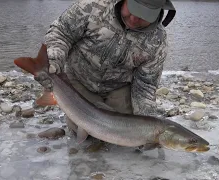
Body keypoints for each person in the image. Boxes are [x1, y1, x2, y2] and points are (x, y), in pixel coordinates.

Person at [36, 0, 176, 119]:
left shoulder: (158, 42)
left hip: (118, 86)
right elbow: (61, 33)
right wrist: (53, 61)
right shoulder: (92, 6)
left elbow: (145, 85)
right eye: (133, 9)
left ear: (158, 12)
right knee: (85, 129)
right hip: (80, 79)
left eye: (143, 15)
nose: (134, 19)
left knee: (128, 129)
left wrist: (148, 122)